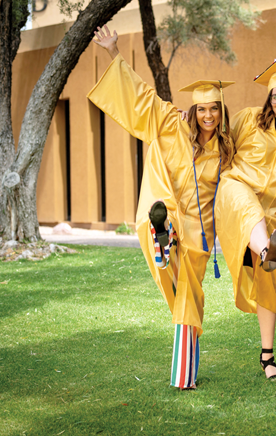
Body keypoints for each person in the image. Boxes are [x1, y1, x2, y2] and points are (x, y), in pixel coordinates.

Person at [89, 25, 236, 389]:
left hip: (200, 235)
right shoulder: (172, 122)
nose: (207, 116)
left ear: (221, 111)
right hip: (171, 211)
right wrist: (113, 52)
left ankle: (162, 242)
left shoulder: (227, 148)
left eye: (213, 110)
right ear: (195, 109)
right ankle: (162, 234)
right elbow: (141, 97)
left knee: (188, 296)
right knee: (186, 295)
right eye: (202, 109)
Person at [214, 60, 276, 379]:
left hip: (273, 215)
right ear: (268, 99)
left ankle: (268, 357)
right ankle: (267, 250)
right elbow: (218, 141)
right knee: (248, 206)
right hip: (236, 190)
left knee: (269, 283)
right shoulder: (247, 119)